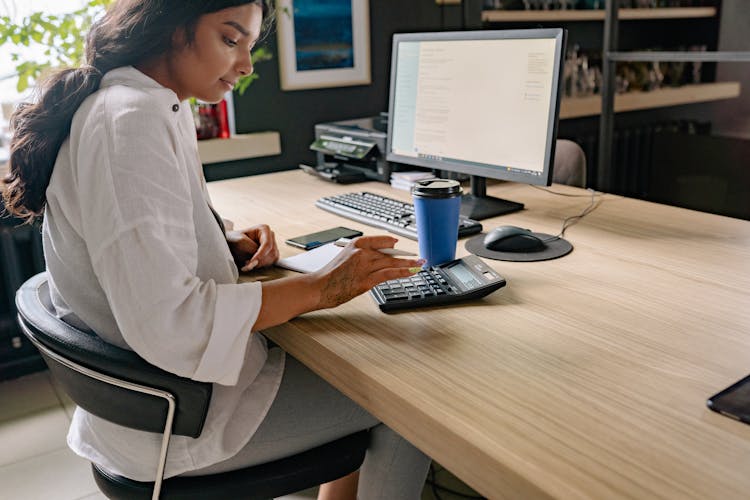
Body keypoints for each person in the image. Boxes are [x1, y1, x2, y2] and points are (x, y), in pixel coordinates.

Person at [2, 1, 432, 498]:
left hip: (158, 400)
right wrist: (322, 288)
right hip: (176, 420)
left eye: (249, 45)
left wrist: (219, 239)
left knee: (349, 364)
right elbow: (172, 321)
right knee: (415, 405)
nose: (246, 65)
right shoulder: (131, 119)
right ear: (169, 28)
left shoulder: (145, 104)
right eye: (231, 40)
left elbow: (128, 236)